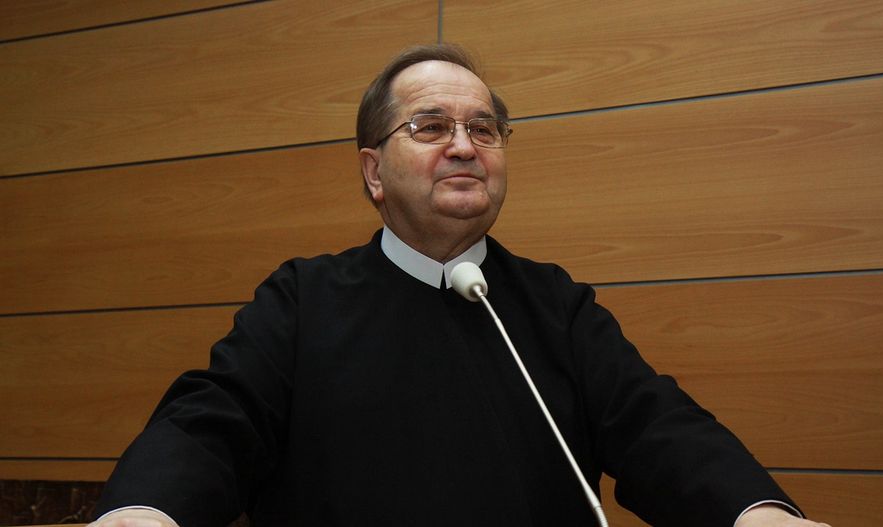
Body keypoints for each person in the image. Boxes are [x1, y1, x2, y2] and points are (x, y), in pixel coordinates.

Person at [90, 44, 831, 527]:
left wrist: (754, 512)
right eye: (430, 126)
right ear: (374, 172)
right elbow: (213, 423)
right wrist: (146, 510)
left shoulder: (555, 304)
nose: (464, 146)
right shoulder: (302, 299)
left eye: (484, 129)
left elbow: (658, 427)